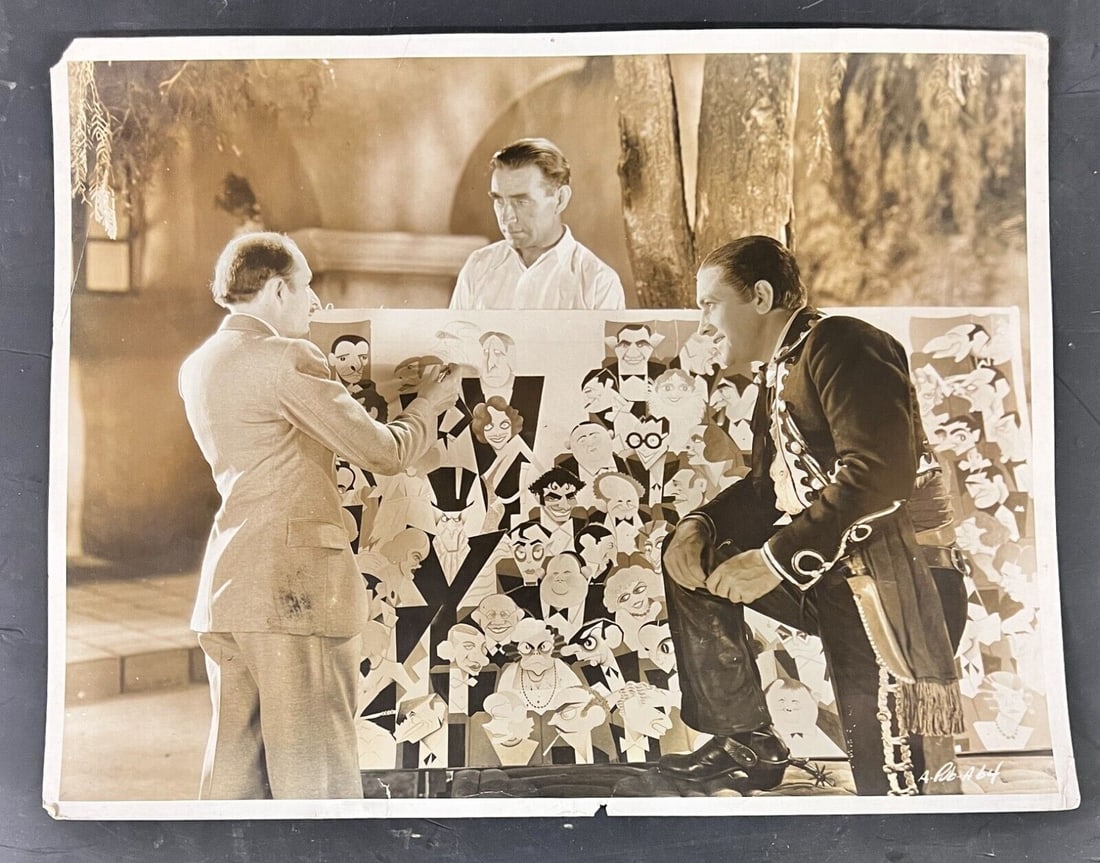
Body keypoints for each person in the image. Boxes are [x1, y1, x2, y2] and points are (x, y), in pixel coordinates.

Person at [658, 235, 965, 797]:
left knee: (892, 783)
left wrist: (773, 562)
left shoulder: (842, 341)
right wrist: (698, 525)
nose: (702, 322)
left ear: (761, 296)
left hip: (898, 583)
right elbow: (762, 493)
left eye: (709, 303)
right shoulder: (779, 373)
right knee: (694, 556)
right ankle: (745, 738)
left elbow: (878, 473)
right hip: (835, 579)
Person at [178, 232, 460, 799]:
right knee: (317, 781)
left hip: (231, 591)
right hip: (295, 597)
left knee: (237, 783)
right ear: (279, 288)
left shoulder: (200, 362)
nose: (314, 302)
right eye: (307, 287)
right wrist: (430, 401)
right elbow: (385, 452)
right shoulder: (287, 358)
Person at [448, 137, 626, 310]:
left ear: (560, 199)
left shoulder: (598, 283)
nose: (507, 217)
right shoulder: (478, 267)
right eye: (500, 201)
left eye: (521, 202)